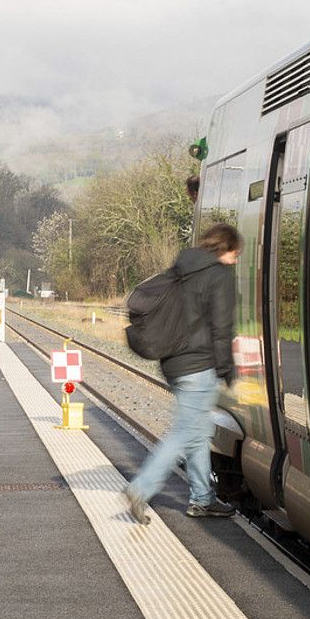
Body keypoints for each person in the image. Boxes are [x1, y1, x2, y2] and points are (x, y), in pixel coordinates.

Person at [124, 223, 240, 524]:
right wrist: (227, 368)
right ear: (224, 250)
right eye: (236, 254)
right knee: (186, 431)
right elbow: (222, 327)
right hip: (198, 366)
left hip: (173, 364)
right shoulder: (218, 275)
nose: (236, 260)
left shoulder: (181, 269)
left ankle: (202, 499)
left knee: (198, 432)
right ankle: (141, 487)